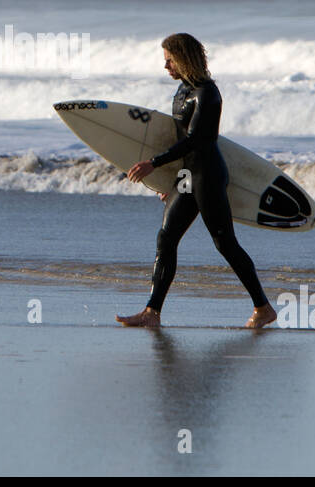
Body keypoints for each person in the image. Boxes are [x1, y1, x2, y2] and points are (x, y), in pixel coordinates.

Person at [116, 33, 278, 329]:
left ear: (184, 58)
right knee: (166, 237)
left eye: (169, 60)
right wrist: (172, 180)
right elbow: (179, 138)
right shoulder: (182, 91)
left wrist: (153, 164)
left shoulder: (208, 93)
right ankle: (151, 312)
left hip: (207, 175)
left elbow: (196, 140)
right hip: (188, 176)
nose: (165, 67)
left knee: (225, 243)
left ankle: (263, 307)